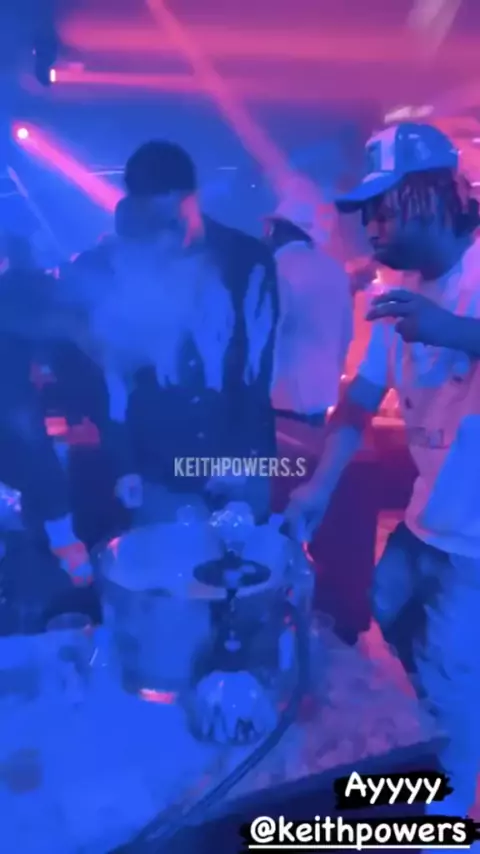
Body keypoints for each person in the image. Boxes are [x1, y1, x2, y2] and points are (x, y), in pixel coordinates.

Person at [285, 122, 480, 830]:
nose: (370, 226)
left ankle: (450, 825)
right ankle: (441, 736)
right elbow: (362, 398)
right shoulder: (400, 287)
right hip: (430, 519)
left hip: (475, 543)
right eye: (365, 211)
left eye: (384, 207)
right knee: (387, 608)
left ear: (432, 195)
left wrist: (453, 331)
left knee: (451, 683)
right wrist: (318, 486)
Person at [64, 141, 279, 523]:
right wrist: (124, 464)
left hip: (240, 463)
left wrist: (242, 459)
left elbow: (257, 367)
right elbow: (112, 374)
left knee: (244, 557)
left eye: (171, 221)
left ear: (191, 198)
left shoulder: (245, 259)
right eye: (153, 223)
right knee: (165, 557)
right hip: (158, 470)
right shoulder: (120, 264)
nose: (166, 238)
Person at [0, 232, 93, 590]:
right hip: (13, 396)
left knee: (38, 467)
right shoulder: (27, 287)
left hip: (15, 393)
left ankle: (58, 548)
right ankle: (64, 550)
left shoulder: (17, 286)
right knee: (41, 467)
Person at [266, 195, 352, 429]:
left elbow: (268, 332)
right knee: (310, 452)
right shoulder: (335, 269)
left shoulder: (276, 267)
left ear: (282, 230)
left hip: (280, 398)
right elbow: (346, 334)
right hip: (321, 395)